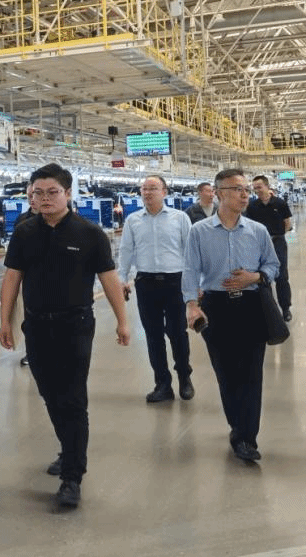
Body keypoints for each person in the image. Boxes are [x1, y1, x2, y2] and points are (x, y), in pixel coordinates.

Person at [0, 163, 130, 509]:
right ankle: (69, 448)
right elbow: (12, 278)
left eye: (52, 192)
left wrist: (123, 321)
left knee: (72, 399)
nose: (45, 198)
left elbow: (109, 279)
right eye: (38, 193)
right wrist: (5, 321)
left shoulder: (90, 234)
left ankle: (72, 476)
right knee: (50, 394)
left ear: (68, 194)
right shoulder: (24, 232)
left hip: (75, 325)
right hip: (37, 326)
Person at [184, 169, 279, 463]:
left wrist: (255, 277)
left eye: (246, 189)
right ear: (219, 193)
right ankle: (237, 425)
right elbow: (190, 269)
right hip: (216, 307)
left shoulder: (257, 231)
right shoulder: (199, 231)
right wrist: (191, 304)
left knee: (251, 374)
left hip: (251, 306)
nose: (245, 194)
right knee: (226, 374)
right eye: (238, 189)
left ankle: (246, 437)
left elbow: (273, 265)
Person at [117, 175, 194, 403]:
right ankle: (162, 384)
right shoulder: (133, 220)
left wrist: (195, 283)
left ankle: (185, 377)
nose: (147, 192)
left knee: (177, 333)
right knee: (153, 335)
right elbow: (126, 250)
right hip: (146, 283)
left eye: (152, 188)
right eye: (144, 189)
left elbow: (190, 251)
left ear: (164, 192)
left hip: (175, 282)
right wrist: (122, 279)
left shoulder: (180, 218)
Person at [245, 175, 293, 322]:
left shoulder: (280, 203)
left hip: (278, 242)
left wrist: (277, 236)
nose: (257, 190)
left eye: (259, 187)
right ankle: (271, 310)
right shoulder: (252, 206)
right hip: (259, 245)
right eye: (255, 188)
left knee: (281, 276)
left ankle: (285, 308)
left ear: (267, 186)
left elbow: (287, 224)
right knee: (264, 277)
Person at [13, 184, 39, 367]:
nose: (32, 199)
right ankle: (31, 353)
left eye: (35, 194)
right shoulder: (22, 220)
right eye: (29, 195)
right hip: (28, 278)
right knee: (29, 319)